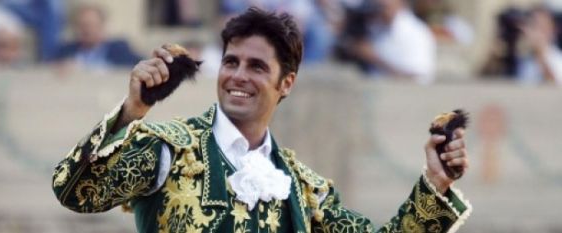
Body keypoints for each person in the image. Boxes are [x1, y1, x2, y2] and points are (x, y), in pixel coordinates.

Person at [52, 7, 471, 233]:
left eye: (256, 67)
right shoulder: (168, 147)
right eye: (231, 61)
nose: (237, 76)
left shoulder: (305, 188)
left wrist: (435, 183)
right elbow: (75, 193)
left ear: (285, 83)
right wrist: (131, 113)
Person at [339, 0, 436, 84]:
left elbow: (417, 80)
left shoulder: (417, 34)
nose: (381, 7)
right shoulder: (374, 29)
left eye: (385, 5)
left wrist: (374, 59)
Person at [52, 3, 142, 70]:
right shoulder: (65, 51)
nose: (86, 30)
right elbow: (48, 68)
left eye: (90, 25)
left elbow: (141, 66)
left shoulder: (120, 49)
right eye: (82, 25)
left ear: (102, 26)